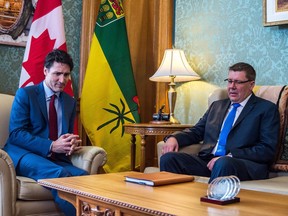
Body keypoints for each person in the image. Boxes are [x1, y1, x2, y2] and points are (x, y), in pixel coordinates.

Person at [160, 62, 280, 183]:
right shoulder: (217, 106)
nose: (232, 86)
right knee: (168, 158)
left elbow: (266, 149)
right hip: (208, 161)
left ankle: (210, 199)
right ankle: (172, 201)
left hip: (240, 163)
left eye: (238, 82)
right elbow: (196, 132)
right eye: (229, 81)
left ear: (251, 85)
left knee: (223, 163)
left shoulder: (266, 109)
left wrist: (231, 155)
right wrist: (174, 138)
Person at [4, 49, 87, 216]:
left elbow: (66, 134)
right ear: (45, 71)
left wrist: (70, 144)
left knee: (85, 177)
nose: (62, 80)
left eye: (66, 74)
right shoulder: (26, 94)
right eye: (57, 74)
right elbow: (16, 133)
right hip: (24, 154)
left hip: (54, 158)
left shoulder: (69, 102)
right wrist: (51, 145)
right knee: (59, 174)